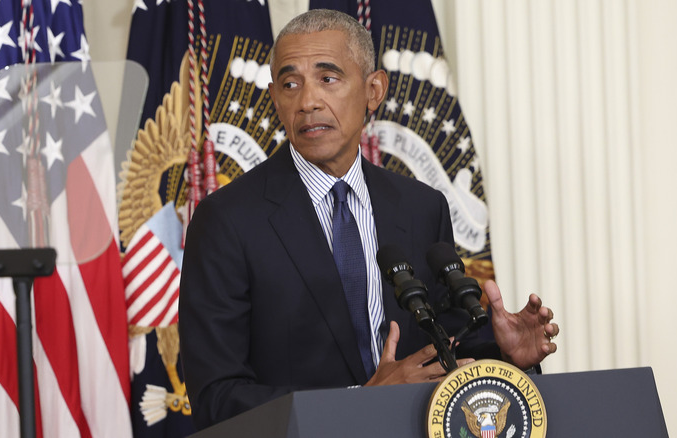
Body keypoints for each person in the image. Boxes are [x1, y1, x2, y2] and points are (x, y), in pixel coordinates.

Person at [179, 9, 559, 430]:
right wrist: (358, 403)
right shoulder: (226, 221)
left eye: (328, 79)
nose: (307, 101)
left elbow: (449, 350)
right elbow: (217, 395)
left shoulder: (421, 207)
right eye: (290, 84)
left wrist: (505, 356)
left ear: (373, 90)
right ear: (275, 98)